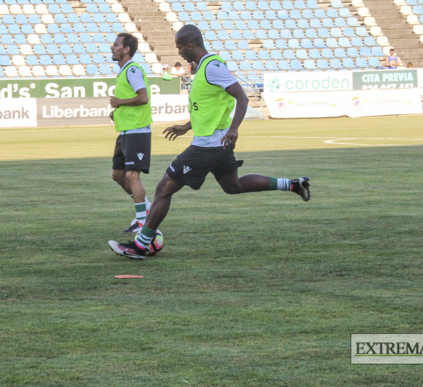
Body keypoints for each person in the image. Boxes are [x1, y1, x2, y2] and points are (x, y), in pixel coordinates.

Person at [109, 24, 311, 260]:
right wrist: (186, 126)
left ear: (190, 45)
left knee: (164, 188)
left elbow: (241, 97)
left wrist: (235, 128)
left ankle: (141, 245)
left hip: (209, 145)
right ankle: (295, 185)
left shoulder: (212, 67)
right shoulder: (203, 68)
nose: (179, 52)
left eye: (180, 47)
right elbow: (209, 108)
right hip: (217, 143)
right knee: (232, 185)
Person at [109, 32, 154, 233]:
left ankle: (142, 220)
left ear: (126, 49)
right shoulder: (124, 71)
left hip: (137, 131)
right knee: (118, 175)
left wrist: (119, 103)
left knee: (132, 175)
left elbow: (143, 97)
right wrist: (117, 112)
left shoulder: (132, 70)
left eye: (116, 44)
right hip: (126, 131)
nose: (112, 47)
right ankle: (146, 207)